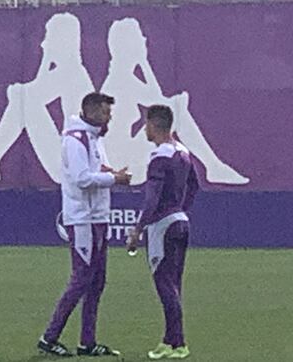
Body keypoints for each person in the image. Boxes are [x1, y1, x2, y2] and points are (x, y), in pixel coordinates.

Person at [38, 92, 131, 357]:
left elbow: (95, 167)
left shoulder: (93, 137)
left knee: (97, 281)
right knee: (81, 279)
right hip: (82, 218)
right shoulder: (75, 139)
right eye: (105, 112)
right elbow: (81, 178)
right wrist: (115, 180)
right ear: (90, 112)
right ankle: (49, 337)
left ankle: (87, 342)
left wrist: (110, 171)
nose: (109, 117)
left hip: (97, 216)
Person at [102, 17, 249, 185]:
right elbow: (162, 106)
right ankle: (213, 166)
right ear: (127, 46)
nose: (144, 41)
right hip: (124, 164)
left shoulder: (128, 77)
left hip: (131, 157)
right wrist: (142, 61)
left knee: (173, 109)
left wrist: (143, 63)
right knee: (176, 110)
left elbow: (156, 99)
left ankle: (213, 167)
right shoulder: (120, 81)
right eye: (139, 38)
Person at [0, 13, 94, 184]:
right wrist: (45, 61)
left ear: (62, 42)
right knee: (24, 99)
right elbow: (34, 88)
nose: (43, 44)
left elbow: (27, 93)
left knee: (25, 100)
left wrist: (45, 60)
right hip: (73, 161)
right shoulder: (68, 71)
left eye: (48, 38)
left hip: (72, 166)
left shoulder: (71, 73)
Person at [127, 105, 199, 360]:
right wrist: (180, 209)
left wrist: (138, 229)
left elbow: (152, 198)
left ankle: (178, 343)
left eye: (146, 124)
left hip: (163, 226)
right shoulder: (183, 152)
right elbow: (195, 185)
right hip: (181, 221)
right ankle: (169, 340)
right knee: (174, 284)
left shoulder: (159, 157)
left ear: (154, 126)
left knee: (164, 285)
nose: (144, 128)